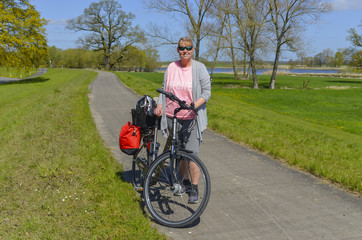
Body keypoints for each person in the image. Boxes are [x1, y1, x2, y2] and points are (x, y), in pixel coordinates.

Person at [153, 37, 211, 204]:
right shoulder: (171, 67)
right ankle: (184, 182)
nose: (185, 51)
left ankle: (194, 187)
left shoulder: (199, 68)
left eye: (188, 48)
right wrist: (160, 105)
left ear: (193, 50)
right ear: (177, 50)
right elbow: (164, 90)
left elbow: (206, 92)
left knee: (192, 153)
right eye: (181, 48)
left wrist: (194, 105)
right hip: (172, 117)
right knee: (179, 154)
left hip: (191, 118)